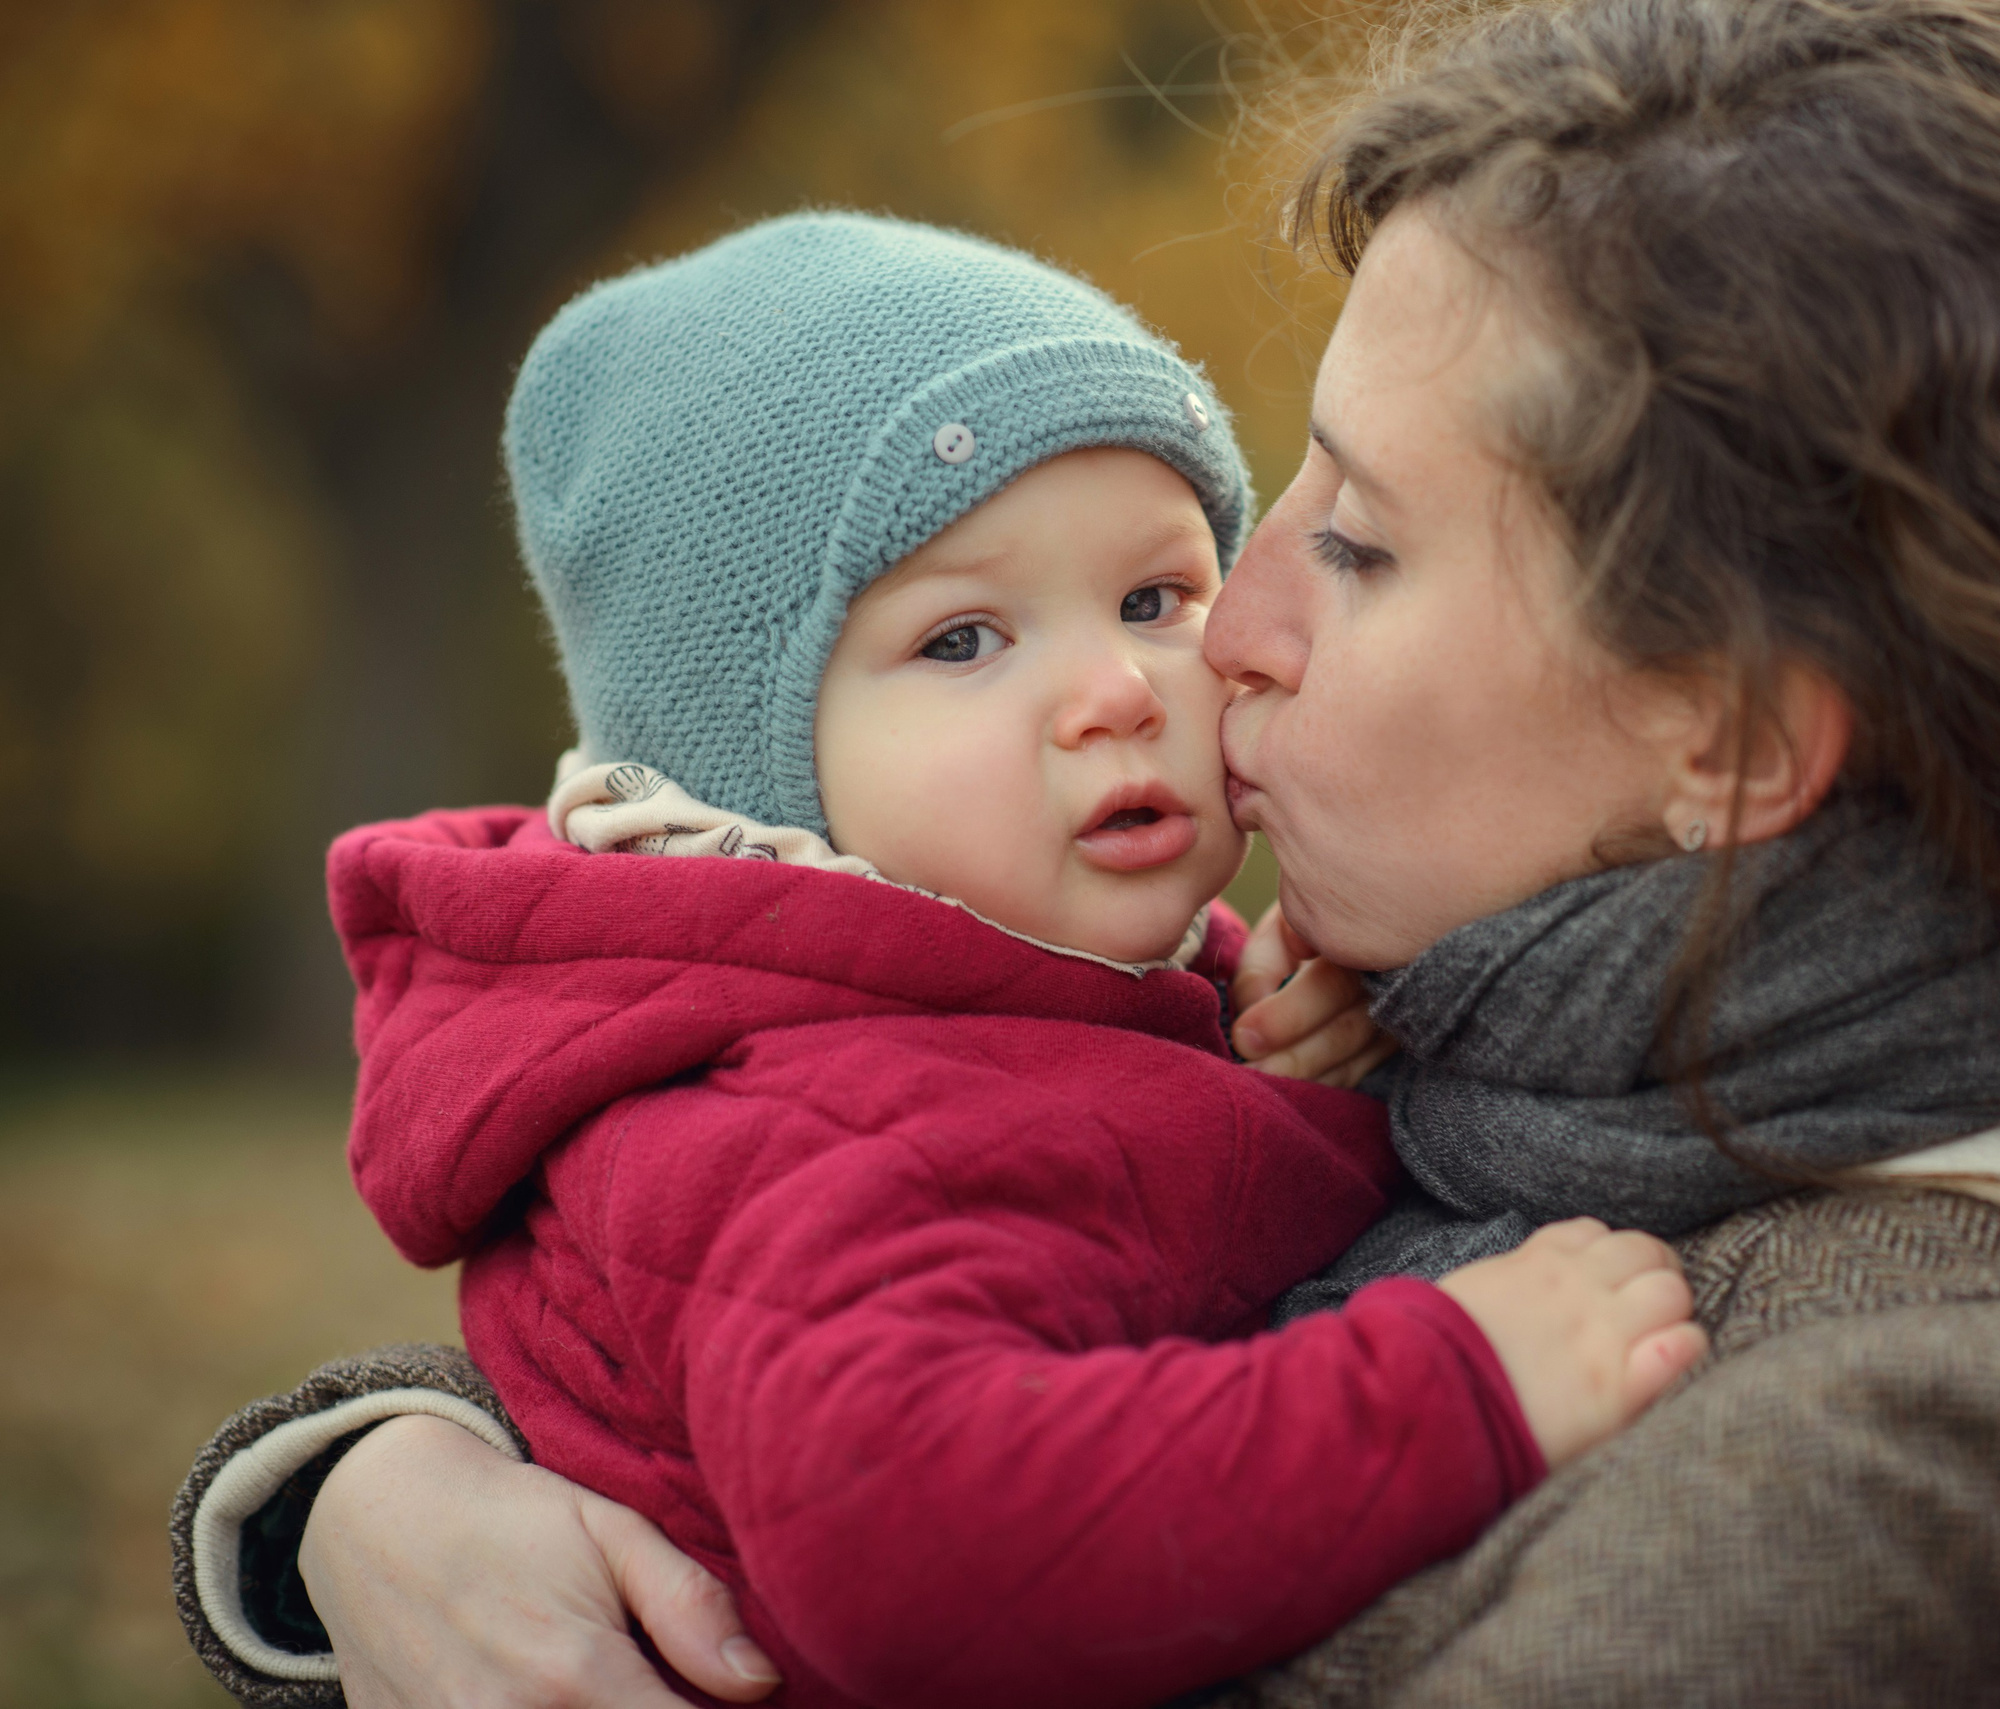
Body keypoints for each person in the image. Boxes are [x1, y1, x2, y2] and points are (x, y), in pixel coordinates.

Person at [174, 2, 2000, 1705]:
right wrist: (357, 1500)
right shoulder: (1510, 1067)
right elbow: (823, 1294)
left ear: (1726, 739)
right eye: (1280, 489)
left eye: (1371, 546)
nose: (1237, 632)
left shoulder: (1919, 1462)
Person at [172, 210, 1709, 1709]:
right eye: (965, 639)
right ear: (757, 776)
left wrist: (1282, 1021)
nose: (1117, 687)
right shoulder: (821, 1111)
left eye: (1157, 597)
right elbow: (927, 1550)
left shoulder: (1009, 999)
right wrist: (1452, 1384)